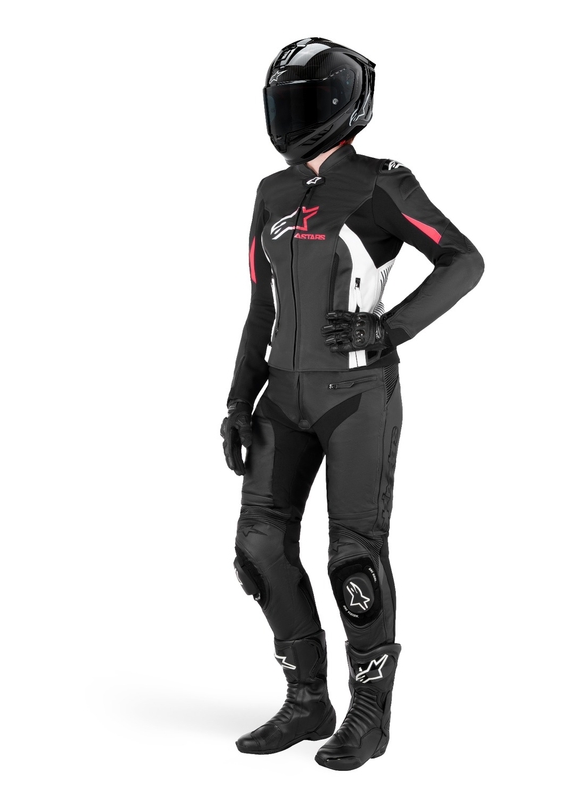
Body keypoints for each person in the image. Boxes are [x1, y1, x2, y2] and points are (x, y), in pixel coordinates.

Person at [220, 37, 484, 771]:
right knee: (258, 550)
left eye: (304, 102)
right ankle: (307, 701)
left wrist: (390, 328)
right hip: (281, 397)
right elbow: (261, 305)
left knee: (353, 559)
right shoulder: (271, 193)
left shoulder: (380, 183)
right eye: (284, 102)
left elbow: (464, 259)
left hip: (357, 396)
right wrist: (239, 399)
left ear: (344, 104)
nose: (289, 117)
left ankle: (369, 719)